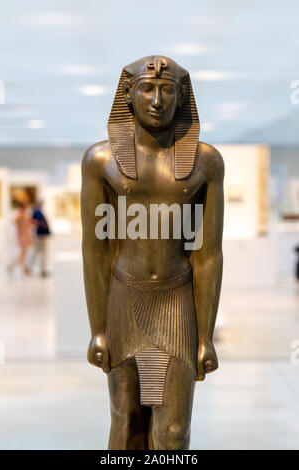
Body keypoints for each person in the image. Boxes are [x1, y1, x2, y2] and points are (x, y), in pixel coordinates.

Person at [81, 56, 224, 450]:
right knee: (127, 424)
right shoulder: (101, 160)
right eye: (147, 88)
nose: (157, 100)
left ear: (182, 98)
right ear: (128, 95)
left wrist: (205, 336)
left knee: (173, 434)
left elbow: (207, 254)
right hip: (124, 299)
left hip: (176, 302)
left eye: (167, 90)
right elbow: (95, 250)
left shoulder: (206, 162)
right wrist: (97, 327)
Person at [7, 202, 33, 276]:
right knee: (23, 254)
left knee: (23, 254)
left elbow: (28, 225)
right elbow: (19, 226)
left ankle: (22, 268)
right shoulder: (20, 216)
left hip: (24, 236)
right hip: (22, 237)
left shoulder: (23, 216)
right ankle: (14, 266)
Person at [29, 200, 51, 278]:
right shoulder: (37, 212)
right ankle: (42, 270)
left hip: (41, 235)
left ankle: (30, 267)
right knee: (42, 253)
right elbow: (33, 222)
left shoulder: (37, 212)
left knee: (38, 252)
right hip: (41, 236)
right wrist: (41, 225)